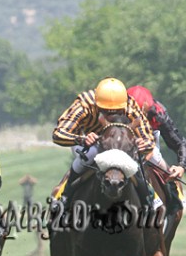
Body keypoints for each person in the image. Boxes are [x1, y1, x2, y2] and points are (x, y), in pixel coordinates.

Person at [52, 77, 156, 209]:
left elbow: (149, 139)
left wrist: (144, 144)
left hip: (120, 144)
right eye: (105, 111)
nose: (111, 117)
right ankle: (65, 197)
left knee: (134, 162)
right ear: (96, 104)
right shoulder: (84, 104)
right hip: (88, 142)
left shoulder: (129, 105)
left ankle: (149, 202)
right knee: (90, 154)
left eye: (117, 112)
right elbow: (58, 134)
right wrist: (82, 139)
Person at [127, 85, 186, 213]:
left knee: (157, 160)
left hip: (149, 140)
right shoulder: (118, 109)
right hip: (125, 138)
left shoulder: (158, 114)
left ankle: (173, 198)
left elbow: (181, 143)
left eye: (141, 114)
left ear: (147, 109)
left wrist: (181, 166)